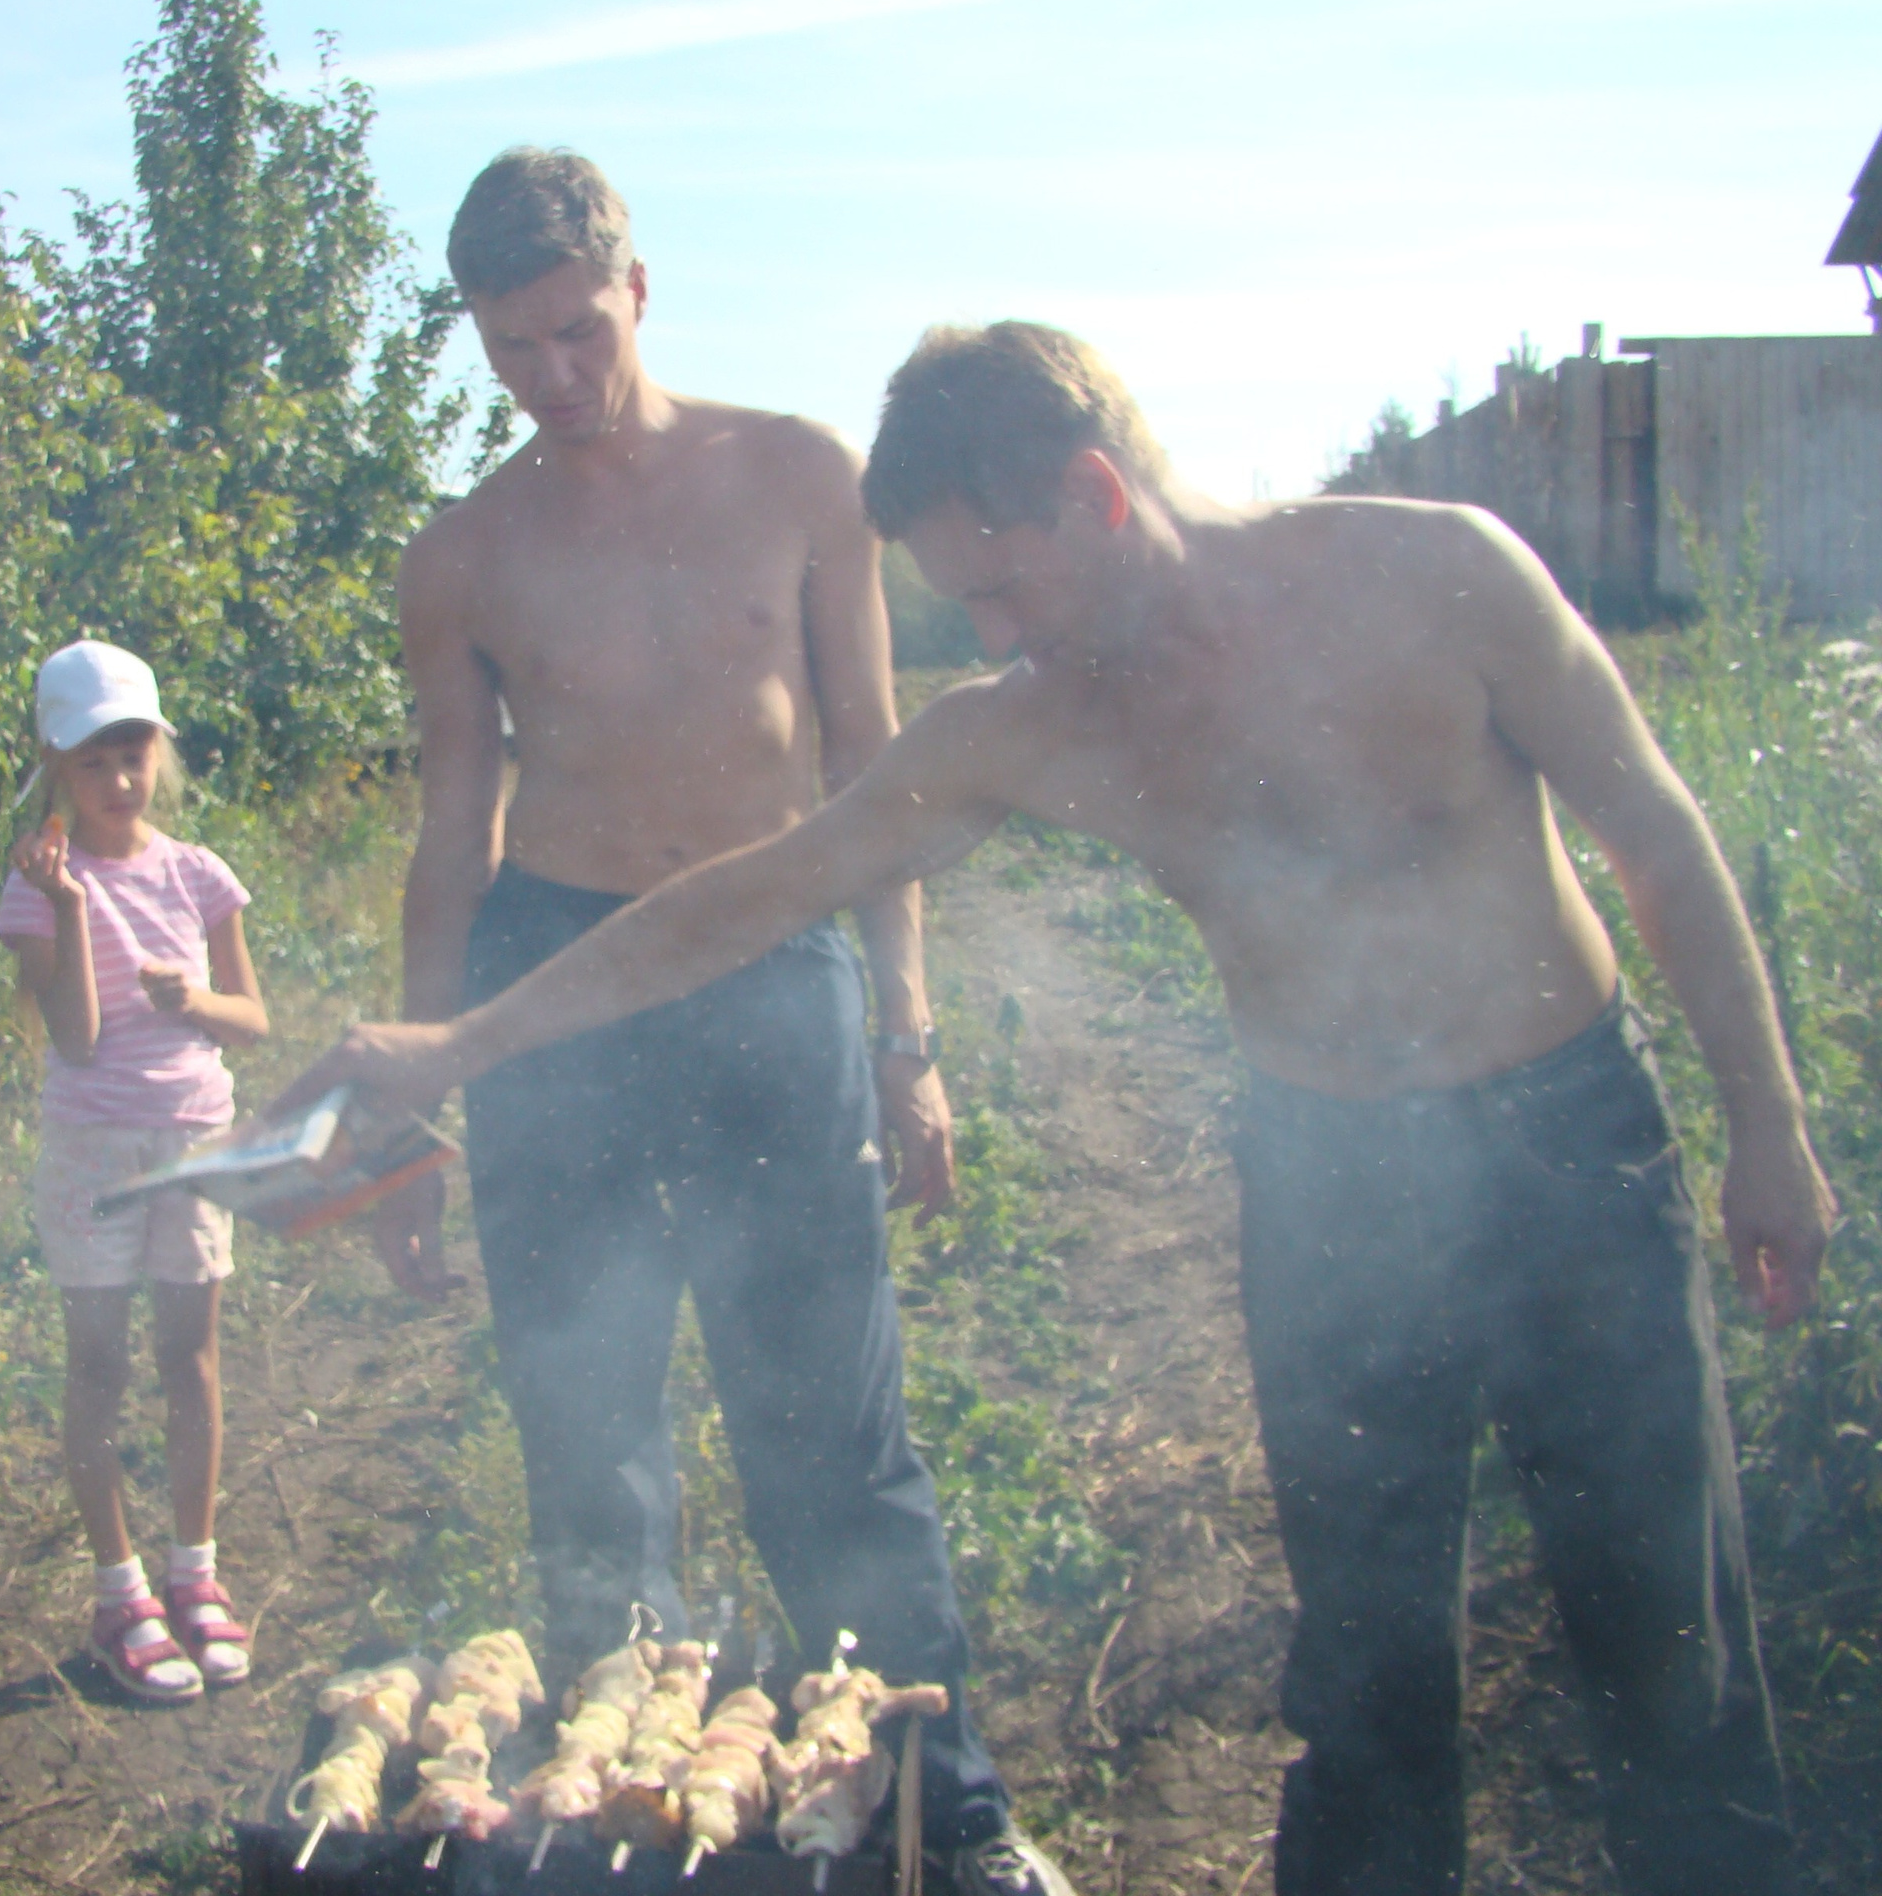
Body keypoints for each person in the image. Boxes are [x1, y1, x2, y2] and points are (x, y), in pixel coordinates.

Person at [283, 324, 1835, 1896]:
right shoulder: (1030, 723)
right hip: (1331, 1192)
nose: (993, 634)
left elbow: (1655, 824)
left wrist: (1764, 1127)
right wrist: (459, 1041)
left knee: (1671, 1657)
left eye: (1001, 590)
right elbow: (747, 899)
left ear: (1097, 494)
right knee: (1366, 1692)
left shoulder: (1434, 577)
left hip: (1567, 1143)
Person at [374, 148, 1069, 1896]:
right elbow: (453, 840)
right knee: (588, 1428)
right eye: (505, 347)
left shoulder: (800, 474)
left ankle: (947, 1811)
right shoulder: (461, 558)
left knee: (829, 1426)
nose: (547, 376)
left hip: (772, 974)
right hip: (555, 995)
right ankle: (630, 1820)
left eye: (570, 330)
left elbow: (877, 771)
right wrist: (411, 1101)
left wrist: (907, 1036)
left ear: (635, 284)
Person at [0, 639, 267, 1703]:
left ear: (160, 754)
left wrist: (191, 1002)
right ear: (55, 770)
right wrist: (65, 907)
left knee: (189, 1359)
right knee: (98, 1367)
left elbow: (251, 1019)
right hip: (93, 1156)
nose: (117, 784)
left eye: (132, 757)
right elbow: (71, 1039)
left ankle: (194, 1573)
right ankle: (120, 1593)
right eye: (91, 765)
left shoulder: (199, 874)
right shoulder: (36, 892)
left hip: (193, 1145)